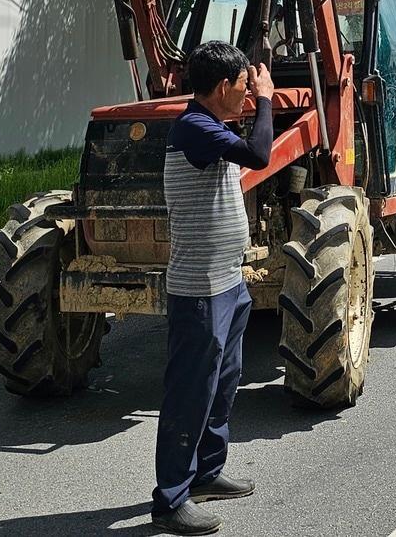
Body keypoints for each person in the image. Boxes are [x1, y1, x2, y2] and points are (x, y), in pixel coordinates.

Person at [151, 41, 274, 536]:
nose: (249, 97)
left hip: (228, 280)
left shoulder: (212, 126)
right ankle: (171, 498)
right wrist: (267, 99)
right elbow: (261, 154)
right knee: (190, 393)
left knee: (224, 382)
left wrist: (257, 94)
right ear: (222, 87)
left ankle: (207, 472)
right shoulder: (195, 128)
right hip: (199, 289)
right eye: (244, 89)